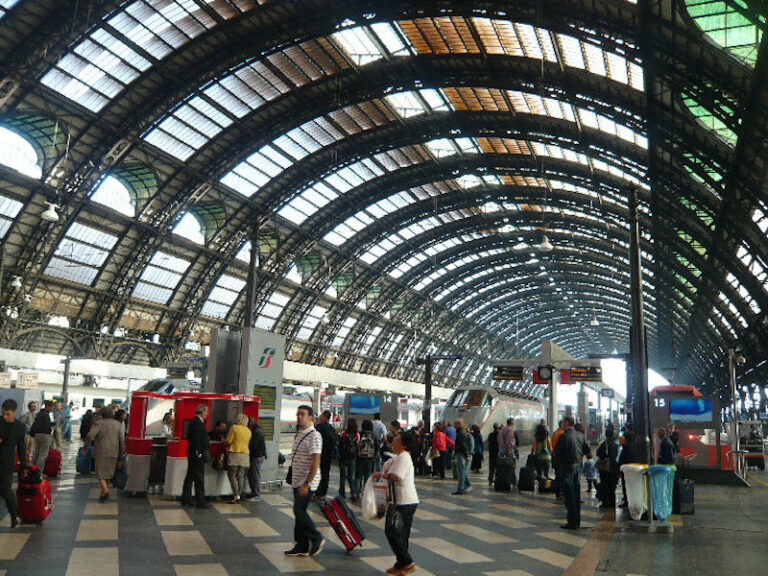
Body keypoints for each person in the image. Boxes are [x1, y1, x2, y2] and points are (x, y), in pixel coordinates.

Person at [373, 430, 419, 576]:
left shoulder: (403, 457)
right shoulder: (399, 457)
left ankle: (407, 561)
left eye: (397, 440)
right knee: (401, 533)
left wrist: (381, 475)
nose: (393, 442)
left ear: (404, 445)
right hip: (400, 500)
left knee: (392, 531)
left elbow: (397, 476)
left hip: (404, 501)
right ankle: (401, 565)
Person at [285, 405, 325, 558]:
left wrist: (307, 483)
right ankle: (301, 545)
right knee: (298, 511)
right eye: (298, 414)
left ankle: (316, 537)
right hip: (297, 479)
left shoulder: (314, 435)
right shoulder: (299, 433)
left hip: (307, 481)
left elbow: (316, 460)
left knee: (299, 510)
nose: (299, 417)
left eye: (302, 414)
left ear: (311, 418)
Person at [84, 406, 125, 503]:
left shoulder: (99, 423)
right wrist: (122, 452)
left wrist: (85, 447)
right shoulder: (118, 424)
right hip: (114, 452)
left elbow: (90, 435)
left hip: (101, 452)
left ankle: (105, 491)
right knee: (107, 474)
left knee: (100, 474)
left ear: (102, 414)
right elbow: (121, 440)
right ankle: (102, 495)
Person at [555, 416, 584, 530]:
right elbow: (586, 450)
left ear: (566, 423)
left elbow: (557, 452)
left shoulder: (564, 436)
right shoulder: (580, 435)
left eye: (562, 422)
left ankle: (572, 521)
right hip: (578, 467)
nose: (562, 424)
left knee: (569, 496)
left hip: (567, 467)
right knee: (576, 495)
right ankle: (577, 520)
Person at [0, 399, 26, 527]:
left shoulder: (20, 427)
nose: (4, 416)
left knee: (5, 490)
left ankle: (15, 516)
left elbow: (21, 447)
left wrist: (24, 466)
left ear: (15, 412)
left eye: (7, 414)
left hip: (6, 462)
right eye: (3, 413)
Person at [181, 404, 211, 508]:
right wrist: (199, 453)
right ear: (202, 412)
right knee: (199, 478)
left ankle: (186, 499)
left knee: (190, 476)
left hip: (192, 453)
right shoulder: (198, 423)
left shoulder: (194, 422)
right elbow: (196, 439)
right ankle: (200, 501)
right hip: (196, 454)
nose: (207, 414)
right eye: (206, 412)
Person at [225, 414, 251, 504]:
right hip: (245, 455)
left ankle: (236, 494)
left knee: (232, 475)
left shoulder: (234, 428)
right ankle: (239, 494)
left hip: (235, 454)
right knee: (240, 475)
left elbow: (229, 441)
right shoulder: (248, 431)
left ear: (238, 420)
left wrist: (224, 441)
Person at [314, 410, 336, 499]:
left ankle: (318, 490)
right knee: (326, 473)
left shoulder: (319, 427)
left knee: (317, 472)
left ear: (324, 417)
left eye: (321, 415)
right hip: (328, 454)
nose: (319, 416)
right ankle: (324, 490)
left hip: (319, 453)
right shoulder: (331, 428)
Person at [596, 428, 620, 508]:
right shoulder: (616, 445)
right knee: (612, 486)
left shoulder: (604, 444)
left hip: (606, 468)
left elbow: (598, 453)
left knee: (605, 484)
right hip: (615, 468)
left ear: (605, 435)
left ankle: (605, 502)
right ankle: (612, 502)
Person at [29, 400, 54, 472]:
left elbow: (35, 424)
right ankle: (39, 472)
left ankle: (32, 469)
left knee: (35, 453)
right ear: (48, 407)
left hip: (37, 435)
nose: (52, 409)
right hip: (45, 436)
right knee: (43, 455)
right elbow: (47, 427)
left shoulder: (39, 413)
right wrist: (51, 427)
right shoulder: (46, 415)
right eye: (51, 407)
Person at [338, 418, 360, 501]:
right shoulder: (357, 434)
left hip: (344, 457)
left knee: (342, 476)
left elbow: (340, 444)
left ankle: (342, 494)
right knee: (351, 476)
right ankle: (353, 493)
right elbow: (357, 445)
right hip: (352, 458)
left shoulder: (344, 433)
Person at [246, 419, 267, 501]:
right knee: (252, 475)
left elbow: (253, 446)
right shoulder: (258, 430)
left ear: (250, 425)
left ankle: (256, 495)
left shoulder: (256, 432)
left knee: (255, 476)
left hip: (257, 456)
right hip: (258, 456)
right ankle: (253, 493)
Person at [355, 419, 377, 498]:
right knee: (367, 478)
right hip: (370, 460)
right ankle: (366, 494)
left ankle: (356, 494)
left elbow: (356, 446)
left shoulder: (359, 434)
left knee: (358, 477)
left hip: (360, 459)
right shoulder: (373, 435)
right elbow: (377, 447)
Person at [452, 420, 472, 495]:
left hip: (460, 454)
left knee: (461, 472)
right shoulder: (460, 432)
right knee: (462, 471)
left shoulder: (460, 433)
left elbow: (462, 444)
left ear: (458, 424)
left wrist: (467, 454)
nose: (454, 425)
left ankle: (461, 488)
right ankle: (466, 485)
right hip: (461, 453)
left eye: (455, 424)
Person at [532, 421, 552, 492]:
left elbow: (534, 448)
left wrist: (534, 452)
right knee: (546, 474)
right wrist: (552, 454)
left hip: (539, 458)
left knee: (539, 474)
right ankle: (546, 487)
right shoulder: (547, 437)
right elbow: (550, 447)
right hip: (547, 458)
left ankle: (540, 487)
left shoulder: (536, 438)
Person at [617, 430, 635, 508]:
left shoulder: (626, 445)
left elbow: (621, 457)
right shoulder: (635, 444)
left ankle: (626, 501)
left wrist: (619, 463)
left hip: (626, 468)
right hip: (633, 467)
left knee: (626, 484)